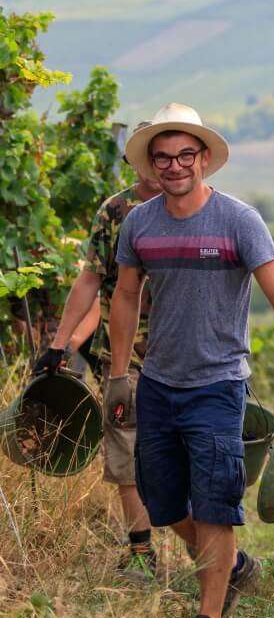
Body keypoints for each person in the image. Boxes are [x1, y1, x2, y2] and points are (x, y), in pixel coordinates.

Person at [109, 103, 274, 618]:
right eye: (163, 158)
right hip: (158, 382)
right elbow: (124, 295)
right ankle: (230, 565)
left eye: (185, 154)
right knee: (161, 501)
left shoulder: (238, 221)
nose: (175, 166)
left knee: (215, 499)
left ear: (204, 158)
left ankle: (209, 615)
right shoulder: (140, 223)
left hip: (217, 383)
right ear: (151, 165)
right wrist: (119, 375)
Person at [33, 127, 160, 578]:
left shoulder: (200, 208)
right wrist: (58, 342)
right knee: (125, 450)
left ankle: (199, 544)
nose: (159, 164)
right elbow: (90, 278)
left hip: (184, 355)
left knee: (177, 451)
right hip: (123, 356)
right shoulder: (116, 210)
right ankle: (142, 549)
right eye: (149, 155)